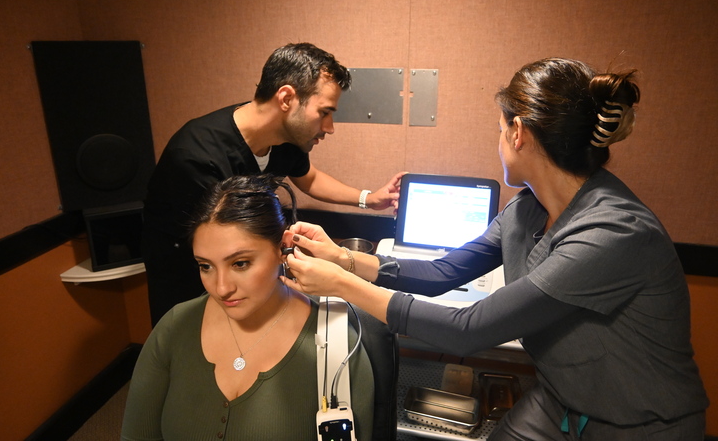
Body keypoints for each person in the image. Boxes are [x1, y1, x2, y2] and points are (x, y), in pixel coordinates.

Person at [282, 58, 709, 440]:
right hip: (561, 401)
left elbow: (468, 329)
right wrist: (346, 259)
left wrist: (341, 284)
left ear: (518, 132)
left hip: (644, 423)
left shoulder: (612, 233)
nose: (499, 138)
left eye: (500, 128)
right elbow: (445, 272)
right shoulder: (526, 207)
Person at [142, 42, 406, 325]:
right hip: (190, 278)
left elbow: (310, 179)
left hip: (247, 270)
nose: (329, 127)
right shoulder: (196, 157)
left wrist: (369, 199)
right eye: (324, 112)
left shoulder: (285, 138)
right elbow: (224, 242)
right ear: (286, 98)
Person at [122, 175, 374, 440]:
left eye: (240, 263)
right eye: (205, 266)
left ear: (283, 247)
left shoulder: (337, 347)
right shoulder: (175, 328)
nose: (221, 288)